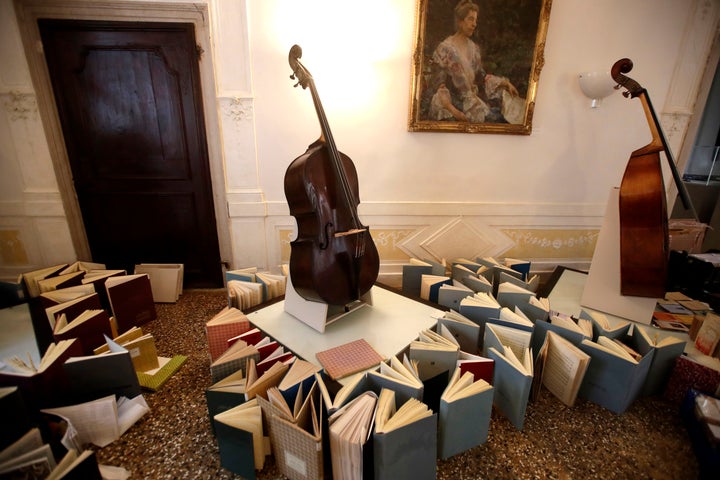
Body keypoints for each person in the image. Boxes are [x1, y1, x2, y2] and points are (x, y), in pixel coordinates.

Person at [427, 0, 522, 123]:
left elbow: (482, 77)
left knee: (505, 116)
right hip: (453, 105)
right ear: (460, 21)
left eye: (475, 20)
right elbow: (438, 85)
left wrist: (505, 83)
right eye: (470, 19)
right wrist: (455, 112)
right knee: (496, 119)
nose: (474, 24)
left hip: (471, 102)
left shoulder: (474, 49)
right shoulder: (445, 49)